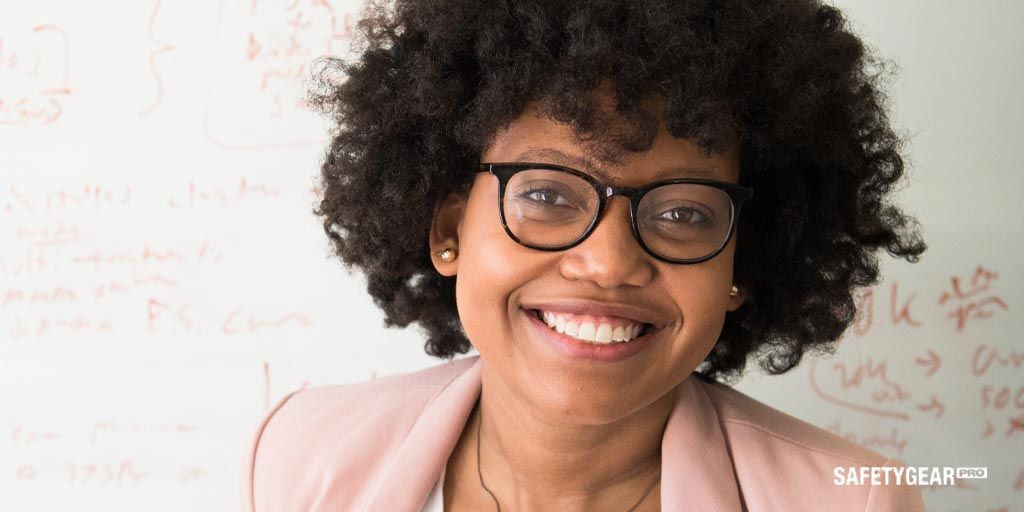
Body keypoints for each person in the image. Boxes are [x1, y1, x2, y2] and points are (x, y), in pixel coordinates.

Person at [242, 0, 928, 510]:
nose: (607, 263)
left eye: (684, 213)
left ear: (741, 266)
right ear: (448, 229)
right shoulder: (298, 455)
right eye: (547, 195)